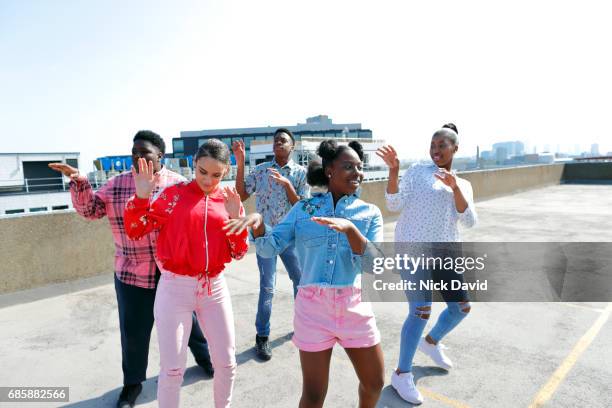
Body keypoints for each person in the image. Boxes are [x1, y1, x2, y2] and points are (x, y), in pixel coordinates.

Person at [49, 130, 212, 408]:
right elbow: (90, 210)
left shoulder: (180, 185)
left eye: (144, 153)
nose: (137, 158)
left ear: (160, 155)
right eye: (134, 153)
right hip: (131, 275)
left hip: (173, 276)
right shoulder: (117, 185)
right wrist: (78, 181)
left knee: (189, 324)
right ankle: (132, 385)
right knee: (134, 335)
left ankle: (207, 360)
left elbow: (199, 221)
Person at [225, 140, 385, 408]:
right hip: (313, 309)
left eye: (360, 166)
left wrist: (351, 230)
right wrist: (260, 224)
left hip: (354, 306)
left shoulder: (370, 213)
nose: (357, 173)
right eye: (348, 166)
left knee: (374, 383)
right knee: (313, 395)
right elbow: (267, 249)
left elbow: (375, 266)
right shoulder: (303, 209)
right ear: (329, 170)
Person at [124, 139, 248, 408]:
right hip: (174, 289)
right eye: (202, 171)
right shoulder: (172, 195)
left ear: (226, 171)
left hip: (214, 288)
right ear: (194, 164)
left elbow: (239, 252)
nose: (208, 179)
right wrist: (142, 197)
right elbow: (135, 230)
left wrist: (237, 219)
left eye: (216, 174)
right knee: (172, 369)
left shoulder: (228, 200)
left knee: (227, 364)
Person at [376, 123, 477, 405]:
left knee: (462, 307)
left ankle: (430, 342)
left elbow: (470, 221)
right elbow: (393, 204)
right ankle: (401, 374)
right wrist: (394, 171)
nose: (436, 150)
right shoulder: (417, 172)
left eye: (442, 145)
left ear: (455, 148)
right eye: (433, 145)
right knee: (420, 309)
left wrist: (455, 188)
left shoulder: (464, 184)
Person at [232, 128, 309, 361]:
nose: (278, 143)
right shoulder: (262, 170)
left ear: (292, 146)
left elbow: (303, 207)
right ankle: (262, 336)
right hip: (266, 236)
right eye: (276, 140)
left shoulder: (300, 172)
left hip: (290, 237)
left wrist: (287, 185)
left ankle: (303, 325)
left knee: (301, 282)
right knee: (268, 286)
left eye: (283, 140)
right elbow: (241, 193)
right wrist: (241, 161)